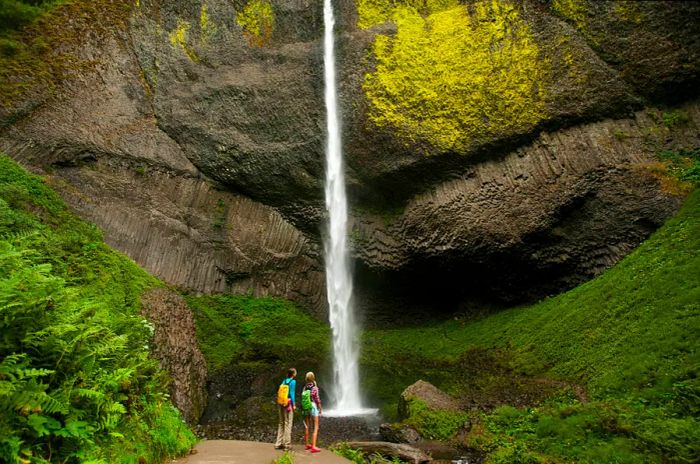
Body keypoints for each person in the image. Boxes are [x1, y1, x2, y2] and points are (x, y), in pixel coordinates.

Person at [274, 368, 297, 450]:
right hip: (288, 404)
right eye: (295, 371)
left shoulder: (284, 381)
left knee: (281, 422)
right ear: (293, 374)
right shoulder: (293, 382)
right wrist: (294, 404)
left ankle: (278, 443)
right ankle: (286, 444)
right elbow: (292, 393)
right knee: (288, 422)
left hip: (280, 402)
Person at [301, 371, 323, 453]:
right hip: (313, 406)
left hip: (306, 407)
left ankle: (307, 444)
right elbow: (317, 400)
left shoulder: (304, 387)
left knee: (307, 425)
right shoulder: (314, 388)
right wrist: (320, 409)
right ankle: (313, 446)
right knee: (316, 426)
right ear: (313, 378)